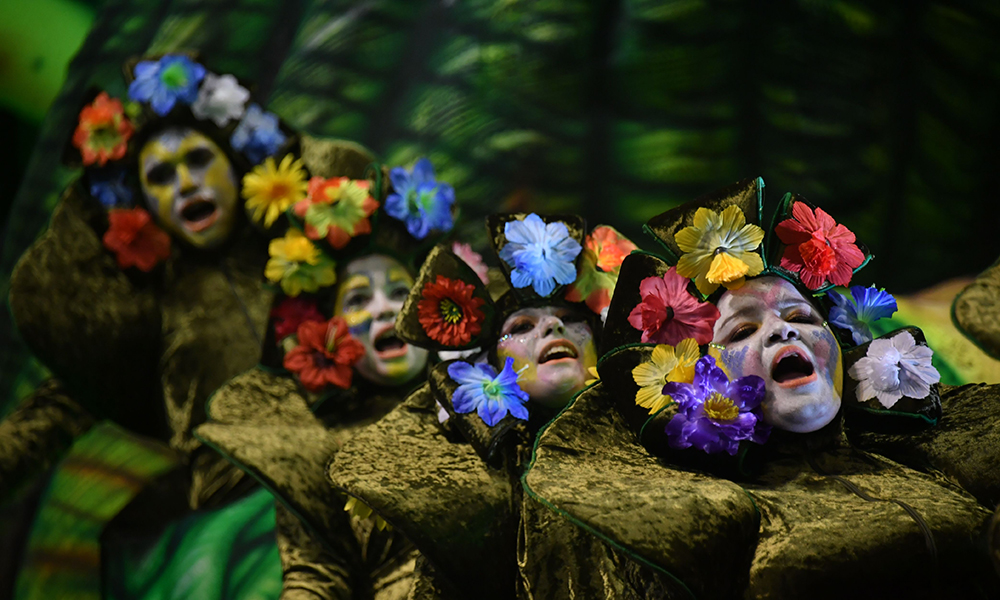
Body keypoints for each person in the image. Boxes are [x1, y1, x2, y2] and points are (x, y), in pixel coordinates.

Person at [0, 52, 374, 598]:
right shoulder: (148, 310)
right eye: (161, 175)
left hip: (351, 476)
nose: (185, 183)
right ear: (145, 203)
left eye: (198, 160)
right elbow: (56, 411)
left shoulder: (318, 246)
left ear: (236, 163)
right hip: (237, 519)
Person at [519, 177, 999, 599]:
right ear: (703, 380)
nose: (781, 332)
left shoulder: (932, 450)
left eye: (798, 316)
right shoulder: (711, 517)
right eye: (742, 331)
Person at [325, 213, 637, 598]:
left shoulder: (652, 455)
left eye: (572, 319)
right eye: (521, 326)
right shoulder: (461, 484)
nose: (553, 329)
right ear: (486, 365)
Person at [195, 156, 461, 599]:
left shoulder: (488, 398)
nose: (381, 308)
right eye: (359, 298)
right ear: (328, 330)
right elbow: (314, 576)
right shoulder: (311, 441)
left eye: (399, 291)